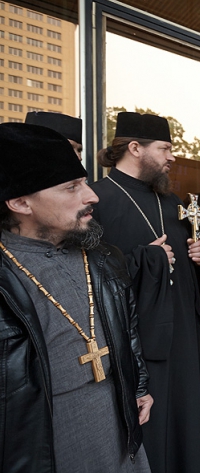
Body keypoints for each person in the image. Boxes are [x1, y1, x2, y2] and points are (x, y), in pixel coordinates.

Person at [0, 122, 152, 472]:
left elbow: (126, 330)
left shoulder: (102, 257)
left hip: (119, 423)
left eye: (84, 182)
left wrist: (139, 384)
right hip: (45, 439)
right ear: (21, 201)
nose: (91, 196)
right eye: (72, 187)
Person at [90, 112, 200, 473]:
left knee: (189, 419)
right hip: (140, 343)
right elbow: (92, 276)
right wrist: (143, 259)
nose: (172, 157)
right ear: (135, 148)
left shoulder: (173, 202)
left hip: (185, 333)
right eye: (165, 148)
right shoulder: (97, 200)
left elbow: (191, 262)